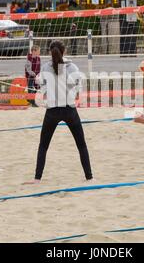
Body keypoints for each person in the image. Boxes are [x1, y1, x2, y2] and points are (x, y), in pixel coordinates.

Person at [24, 40, 93, 184]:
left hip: (52, 111)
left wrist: (42, 83)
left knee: (43, 146)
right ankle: (89, 177)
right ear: (65, 51)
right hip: (69, 110)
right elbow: (78, 89)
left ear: (50, 52)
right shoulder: (72, 67)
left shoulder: (45, 67)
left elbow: (40, 84)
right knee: (81, 144)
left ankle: (37, 179)